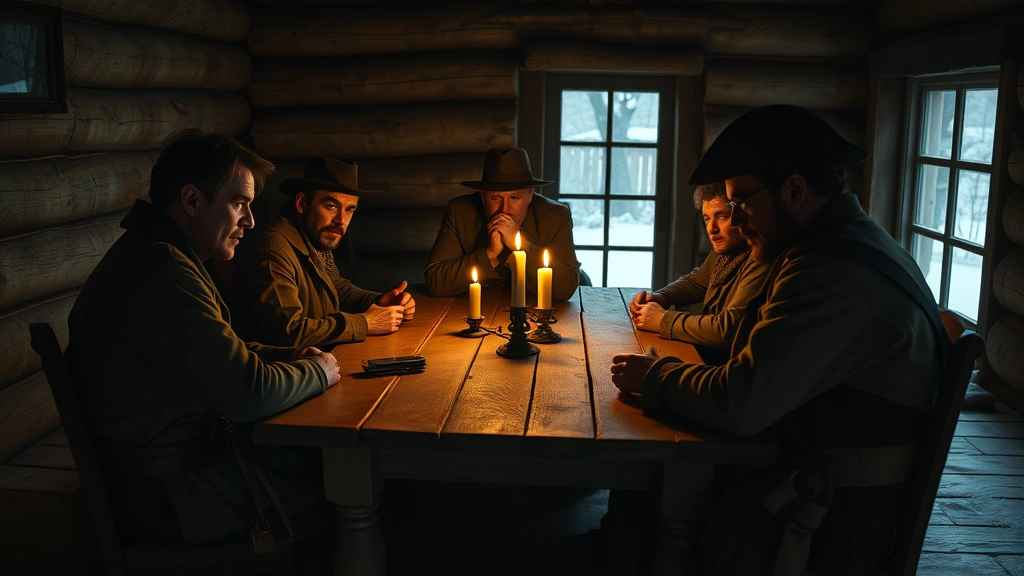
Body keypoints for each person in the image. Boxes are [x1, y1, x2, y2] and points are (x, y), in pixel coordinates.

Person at [611, 105, 946, 574]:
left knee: (661, 477)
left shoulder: (827, 270)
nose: (737, 220)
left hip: (833, 520)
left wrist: (658, 376)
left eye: (743, 203)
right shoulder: (840, 243)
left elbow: (741, 402)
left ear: (794, 189)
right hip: (818, 477)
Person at [66, 130, 341, 572]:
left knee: (312, 469)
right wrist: (320, 371)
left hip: (163, 477)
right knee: (328, 510)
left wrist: (285, 357)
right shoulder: (163, 274)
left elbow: (220, 348)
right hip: (165, 495)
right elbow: (248, 393)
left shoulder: (159, 255)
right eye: (239, 203)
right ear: (192, 200)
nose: (250, 221)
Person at [230, 157, 415, 349]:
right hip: (282, 373)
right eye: (331, 206)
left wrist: (379, 301)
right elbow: (289, 332)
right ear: (301, 203)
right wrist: (366, 323)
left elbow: (337, 289)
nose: (341, 220)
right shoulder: (272, 252)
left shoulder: (314, 237)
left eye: (350, 209)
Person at [629, 181, 768, 364]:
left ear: (741, 213)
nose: (712, 228)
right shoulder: (728, 249)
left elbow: (729, 329)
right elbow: (697, 282)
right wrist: (661, 296)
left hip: (732, 372)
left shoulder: (759, 256)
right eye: (707, 218)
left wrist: (663, 320)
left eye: (723, 216)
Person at [424, 147, 581, 299]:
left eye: (514, 198)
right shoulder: (460, 212)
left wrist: (522, 246)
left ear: (530, 195)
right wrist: (489, 255)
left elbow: (566, 288)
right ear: (483, 196)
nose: (504, 209)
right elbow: (435, 282)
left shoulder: (554, 215)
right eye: (495, 198)